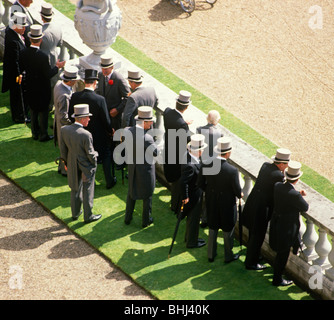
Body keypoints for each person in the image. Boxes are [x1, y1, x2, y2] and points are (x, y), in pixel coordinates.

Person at [243, 148, 291, 270]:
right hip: (262, 208)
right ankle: (251, 262)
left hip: (253, 201)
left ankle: (253, 256)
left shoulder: (265, 166)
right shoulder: (278, 175)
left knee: (253, 233)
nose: (286, 167)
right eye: (286, 164)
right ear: (281, 164)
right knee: (257, 235)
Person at [69, 69, 115, 189]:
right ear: (95, 82)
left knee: (83, 156)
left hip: (80, 133)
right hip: (99, 135)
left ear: (84, 82)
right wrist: (110, 131)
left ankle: (87, 181)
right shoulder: (100, 100)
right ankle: (109, 181)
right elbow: (106, 120)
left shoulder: (75, 96)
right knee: (105, 155)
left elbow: (70, 115)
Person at [19, 24, 65, 142]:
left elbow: (22, 68)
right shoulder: (43, 56)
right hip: (42, 88)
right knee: (43, 111)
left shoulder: (24, 52)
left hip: (30, 85)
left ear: (30, 39)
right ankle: (43, 135)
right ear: (40, 40)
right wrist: (57, 67)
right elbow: (48, 74)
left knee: (33, 110)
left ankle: (35, 133)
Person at [201, 137, 243, 263]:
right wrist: (239, 194)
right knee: (227, 229)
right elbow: (237, 191)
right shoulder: (232, 170)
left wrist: (209, 192)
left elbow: (200, 183)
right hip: (227, 204)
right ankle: (228, 255)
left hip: (212, 201)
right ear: (228, 153)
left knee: (212, 227)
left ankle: (211, 254)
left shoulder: (207, 163)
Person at [269, 161, 309, 286]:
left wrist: (297, 194)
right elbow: (305, 207)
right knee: (283, 254)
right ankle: (277, 279)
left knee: (280, 253)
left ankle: (277, 274)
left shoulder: (277, 186)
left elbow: (287, 194)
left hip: (277, 223)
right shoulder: (294, 195)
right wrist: (299, 195)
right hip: (286, 229)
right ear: (296, 179)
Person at [59, 104, 101, 223]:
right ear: (82, 119)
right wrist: (96, 157)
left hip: (71, 162)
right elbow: (91, 154)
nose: (89, 119)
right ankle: (88, 216)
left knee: (74, 188)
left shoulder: (64, 130)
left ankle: (75, 213)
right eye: (87, 117)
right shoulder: (86, 134)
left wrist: (65, 162)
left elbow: (63, 149)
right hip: (86, 165)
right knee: (88, 189)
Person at [124, 106, 158, 228]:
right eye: (150, 122)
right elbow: (156, 153)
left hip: (132, 167)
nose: (152, 123)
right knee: (147, 195)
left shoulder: (128, 130)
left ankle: (127, 218)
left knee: (131, 193)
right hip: (145, 170)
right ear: (144, 122)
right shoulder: (147, 138)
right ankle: (146, 220)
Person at [163, 90, 192, 212]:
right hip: (177, 158)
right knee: (177, 183)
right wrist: (185, 125)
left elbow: (174, 121)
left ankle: (175, 204)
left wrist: (183, 123)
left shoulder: (167, 112)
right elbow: (189, 140)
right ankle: (175, 206)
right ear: (186, 107)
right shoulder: (182, 125)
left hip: (168, 152)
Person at [179, 134, 207, 249]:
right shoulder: (190, 165)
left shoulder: (189, 156)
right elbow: (183, 182)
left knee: (192, 219)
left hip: (194, 194)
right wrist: (185, 197)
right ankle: (192, 242)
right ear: (199, 151)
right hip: (193, 196)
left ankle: (190, 238)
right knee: (194, 219)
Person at [1, 12, 29, 123]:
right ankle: (19, 116)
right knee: (18, 95)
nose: (24, 29)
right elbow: (15, 61)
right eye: (22, 27)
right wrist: (19, 75)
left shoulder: (11, 32)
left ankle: (20, 114)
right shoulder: (13, 40)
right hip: (16, 74)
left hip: (16, 72)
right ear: (16, 26)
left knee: (18, 94)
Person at [53, 65, 81, 176]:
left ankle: (61, 168)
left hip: (59, 122)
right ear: (70, 82)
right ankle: (65, 171)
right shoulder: (64, 95)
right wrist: (74, 124)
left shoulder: (58, 84)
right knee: (66, 149)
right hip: (64, 125)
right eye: (74, 80)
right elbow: (64, 117)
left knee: (63, 147)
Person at [95, 53, 130, 132]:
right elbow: (98, 91)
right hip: (103, 114)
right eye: (103, 68)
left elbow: (128, 97)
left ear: (112, 67)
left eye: (106, 68)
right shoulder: (100, 75)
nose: (104, 70)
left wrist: (117, 110)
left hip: (114, 117)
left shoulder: (118, 79)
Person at [39, 3, 63, 109]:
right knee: (54, 81)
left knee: (44, 83)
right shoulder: (58, 28)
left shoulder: (40, 32)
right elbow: (60, 44)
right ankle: (52, 103)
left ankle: (47, 103)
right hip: (55, 57)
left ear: (41, 16)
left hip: (43, 59)